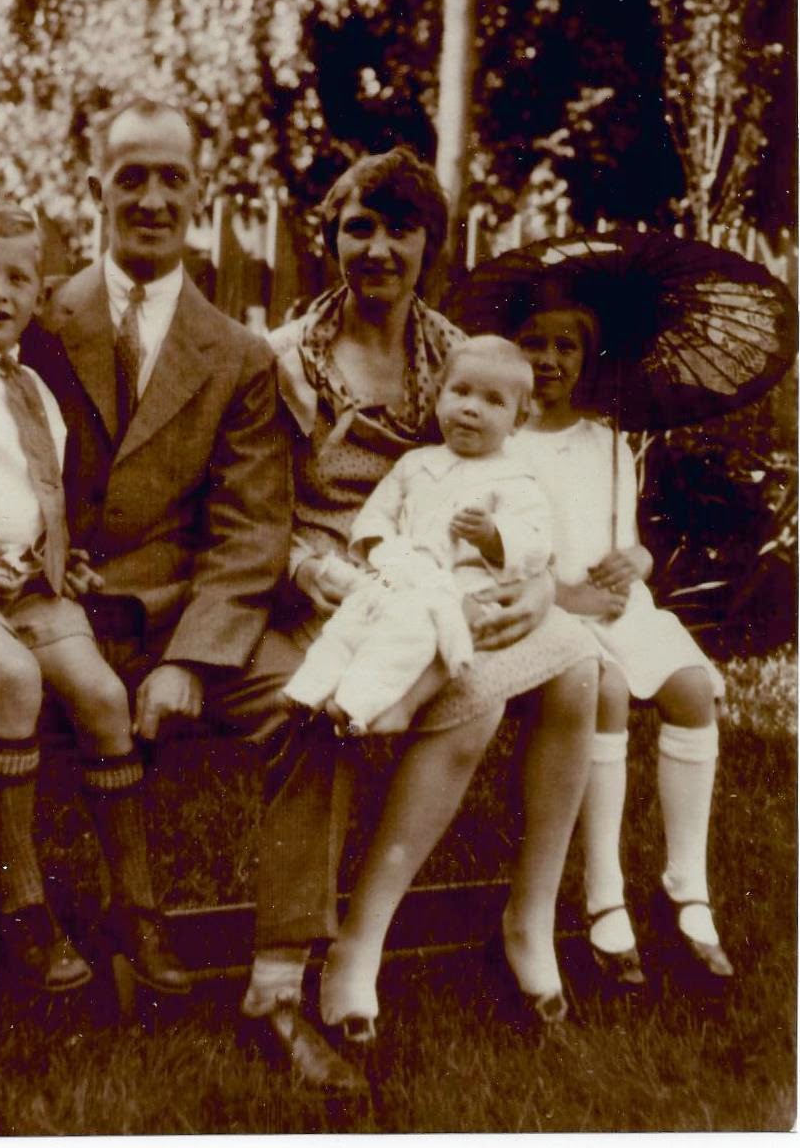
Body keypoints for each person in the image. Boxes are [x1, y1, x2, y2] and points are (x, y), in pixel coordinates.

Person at [0, 98, 292, 1118]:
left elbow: (250, 530)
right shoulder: (27, 310)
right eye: (130, 175)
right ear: (97, 189)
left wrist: (191, 657)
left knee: (305, 699)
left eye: (171, 177)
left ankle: (283, 970)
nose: (151, 197)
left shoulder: (238, 353)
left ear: (200, 190)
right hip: (14, 611)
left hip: (162, 625)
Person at [241, 149, 599, 1086]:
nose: (380, 249)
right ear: (331, 239)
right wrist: (307, 566)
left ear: (430, 244)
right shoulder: (284, 359)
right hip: (335, 583)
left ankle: (529, 916)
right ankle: (361, 939)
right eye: (359, 227)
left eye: (401, 229)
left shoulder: (457, 353)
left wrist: (538, 584)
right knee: (476, 695)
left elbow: (516, 484)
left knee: (581, 667)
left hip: (457, 576)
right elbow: (250, 506)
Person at [514, 296, 734, 992]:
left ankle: (687, 885)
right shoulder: (504, 444)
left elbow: (627, 542)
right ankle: (604, 893)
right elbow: (504, 558)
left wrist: (637, 560)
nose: (549, 359)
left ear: (587, 359)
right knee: (606, 691)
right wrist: (567, 595)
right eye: (533, 344)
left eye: (566, 347)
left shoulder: (608, 444)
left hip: (617, 603)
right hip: (549, 608)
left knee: (691, 689)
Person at [283, 337, 555, 735]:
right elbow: (379, 513)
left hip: (466, 584)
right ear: (438, 398)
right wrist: (381, 548)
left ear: (518, 420)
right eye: (460, 392)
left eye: (493, 401)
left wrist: (493, 536)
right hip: (406, 573)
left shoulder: (515, 479)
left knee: (436, 630)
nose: (471, 408)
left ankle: (397, 704)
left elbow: (535, 540)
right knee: (359, 619)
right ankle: (311, 689)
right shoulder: (415, 463)